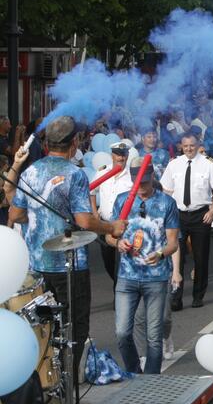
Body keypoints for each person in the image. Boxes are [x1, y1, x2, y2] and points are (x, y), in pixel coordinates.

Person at [8, 116, 127, 384]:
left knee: (43, 332)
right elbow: (85, 221)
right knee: (74, 333)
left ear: (47, 144)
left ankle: (50, 391)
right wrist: (112, 228)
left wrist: (37, 217)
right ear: (74, 143)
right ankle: (68, 393)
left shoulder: (30, 172)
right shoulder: (74, 174)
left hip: (36, 266)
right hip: (69, 267)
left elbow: (15, 213)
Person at [108, 157, 179, 374]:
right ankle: (135, 374)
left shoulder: (167, 203)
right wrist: (119, 243)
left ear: (152, 178)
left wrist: (160, 253)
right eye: (138, 183)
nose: (142, 188)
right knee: (122, 333)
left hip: (156, 277)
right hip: (127, 276)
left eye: (146, 183)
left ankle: (151, 382)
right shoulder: (122, 201)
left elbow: (173, 243)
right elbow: (110, 236)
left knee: (154, 337)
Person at [161, 132, 213, 309]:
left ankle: (198, 295)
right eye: (186, 146)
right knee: (177, 256)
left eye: (192, 145)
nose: (189, 149)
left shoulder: (208, 164)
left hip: (200, 215)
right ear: (181, 146)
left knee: (201, 256)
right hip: (178, 215)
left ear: (198, 145)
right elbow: (165, 189)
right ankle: (176, 295)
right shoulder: (174, 164)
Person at [90, 142, 132, 288]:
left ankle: (120, 292)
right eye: (118, 154)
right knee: (108, 261)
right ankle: (118, 284)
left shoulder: (132, 174)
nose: (121, 158)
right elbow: (91, 191)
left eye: (124, 154)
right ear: (112, 155)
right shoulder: (102, 172)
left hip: (123, 224)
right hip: (105, 223)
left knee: (121, 260)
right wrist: (95, 212)